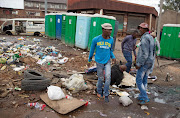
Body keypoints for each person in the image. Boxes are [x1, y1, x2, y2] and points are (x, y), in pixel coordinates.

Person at [87, 23, 116, 102]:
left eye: (111, 30)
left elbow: (110, 50)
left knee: (108, 77)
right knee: (100, 78)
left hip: (107, 61)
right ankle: (99, 91)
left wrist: (113, 57)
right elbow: (92, 51)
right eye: (108, 30)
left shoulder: (111, 39)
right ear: (103, 30)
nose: (110, 31)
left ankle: (106, 93)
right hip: (99, 61)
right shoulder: (96, 39)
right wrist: (89, 60)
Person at [136, 23, 155, 105]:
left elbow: (145, 54)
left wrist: (139, 64)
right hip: (150, 62)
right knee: (144, 79)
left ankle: (145, 97)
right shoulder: (151, 37)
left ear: (144, 30)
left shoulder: (144, 38)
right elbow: (153, 51)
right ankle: (141, 95)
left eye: (141, 28)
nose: (139, 30)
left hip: (145, 62)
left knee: (138, 80)